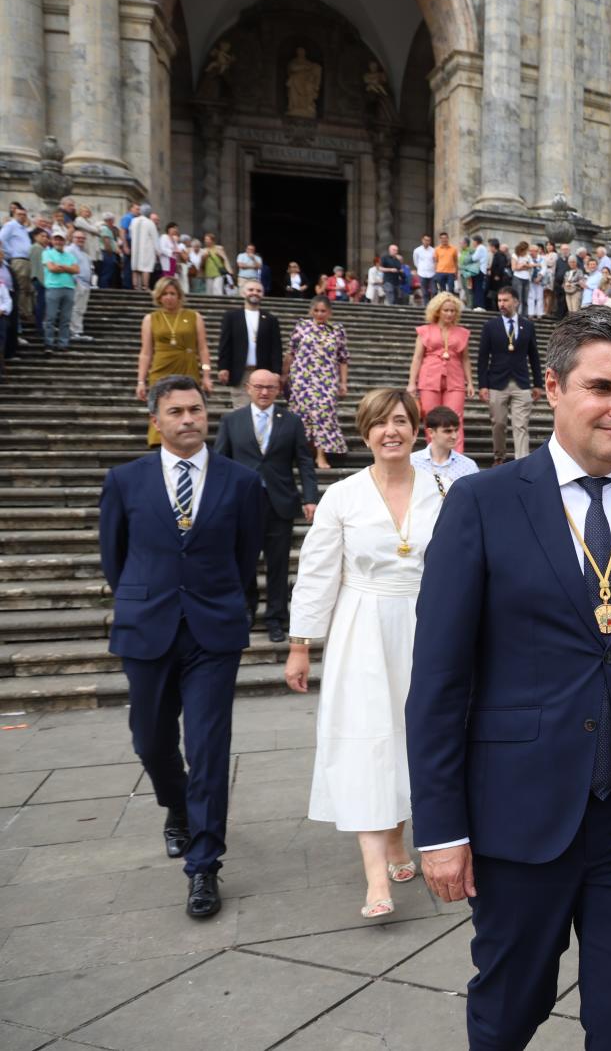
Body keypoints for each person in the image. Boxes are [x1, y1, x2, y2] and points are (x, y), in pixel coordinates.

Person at [406, 308, 611, 1048]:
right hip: (519, 813)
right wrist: (442, 827)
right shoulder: (484, 503)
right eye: (603, 386)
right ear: (551, 387)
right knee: (512, 1003)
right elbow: (440, 679)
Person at [99, 374, 265, 918]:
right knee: (149, 738)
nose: (189, 419)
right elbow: (114, 558)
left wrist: (223, 603)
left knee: (209, 746)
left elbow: (246, 560)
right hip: (147, 625)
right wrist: (147, 597)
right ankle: (177, 803)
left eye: (196, 409)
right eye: (176, 411)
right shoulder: (124, 480)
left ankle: (203, 865)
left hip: (213, 630)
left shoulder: (240, 482)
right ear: (157, 420)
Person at [285, 389, 443, 918]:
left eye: (400, 421)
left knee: (414, 736)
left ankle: (398, 839)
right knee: (368, 738)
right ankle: (377, 876)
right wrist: (300, 644)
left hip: (428, 625)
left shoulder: (444, 489)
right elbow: (317, 571)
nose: (390, 431)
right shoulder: (343, 496)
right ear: (365, 431)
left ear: (416, 428)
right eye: (379, 423)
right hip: (363, 626)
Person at [214, 369, 319, 643]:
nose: (264, 392)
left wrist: (310, 497)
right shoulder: (231, 421)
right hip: (241, 503)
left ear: (278, 390)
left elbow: (305, 462)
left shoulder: (292, 421)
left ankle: (276, 617)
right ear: (248, 388)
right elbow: (219, 462)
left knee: (279, 564)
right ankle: (247, 610)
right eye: (259, 386)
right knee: (244, 561)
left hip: (279, 503)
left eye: (270, 387)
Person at [137, 278, 212, 446]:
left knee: (189, 402)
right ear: (158, 296)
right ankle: (159, 442)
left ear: (179, 295)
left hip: (188, 366)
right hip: (161, 368)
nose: (168, 297)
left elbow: (203, 348)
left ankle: (191, 438)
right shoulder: (151, 319)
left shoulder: (194, 317)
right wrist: (141, 381)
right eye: (164, 294)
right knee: (162, 404)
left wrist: (206, 374)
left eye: (172, 293)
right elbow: (146, 352)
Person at [477, 286, 541, 464]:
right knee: (498, 423)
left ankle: (523, 463)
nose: (501, 304)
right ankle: (499, 457)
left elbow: (534, 356)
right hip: (496, 381)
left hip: (521, 382)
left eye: (505, 300)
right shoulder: (490, 326)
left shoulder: (527, 325)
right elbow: (482, 357)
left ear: (516, 302)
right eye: (499, 301)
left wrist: (538, 383)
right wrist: (482, 385)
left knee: (521, 425)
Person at [285, 296, 349, 469]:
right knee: (302, 415)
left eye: (323, 311)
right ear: (311, 311)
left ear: (329, 312)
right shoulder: (302, 327)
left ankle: (321, 456)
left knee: (324, 415)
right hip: (302, 378)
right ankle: (304, 455)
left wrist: (344, 383)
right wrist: (284, 376)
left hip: (327, 378)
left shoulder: (337, 330)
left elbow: (343, 359)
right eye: (316, 311)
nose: (320, 314)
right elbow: (291, 352)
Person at [408, 292, 472, 454]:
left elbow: (465, 359)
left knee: (456, 418)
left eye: (452, 310)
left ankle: (457, 456)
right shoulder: (425, 331)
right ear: (437, 311)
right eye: (446, 310)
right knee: (431, 418)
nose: (449, 314)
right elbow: (417, 358)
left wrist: (470, 382)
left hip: (455, 378)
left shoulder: (462, 332)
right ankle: (435, 455)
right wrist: (411, 383)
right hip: (429, 376)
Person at [216, 279, 283, 408]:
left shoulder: (270, 319)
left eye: (258, 291)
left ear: (263, 294)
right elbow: (225, 344)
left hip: (263, 372)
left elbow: (276, 348)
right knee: (241, 410)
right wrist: (223, 367)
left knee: (262, 410)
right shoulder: (232, 317)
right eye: (251, 290)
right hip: (240, 372)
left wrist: (276, 371)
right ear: (243, 293)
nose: (255, 293)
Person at [411, 405, 481, 486]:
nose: (454, 436)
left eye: (456, 430)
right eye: (448, 431)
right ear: (431, 432)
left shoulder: (468, 466)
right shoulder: (412, 462)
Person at [40, 231, 77, 352]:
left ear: (64, 241)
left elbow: (76, 270)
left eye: (60, 239)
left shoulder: (70, 255)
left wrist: (62, 267)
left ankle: (63, 343)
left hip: (69, 287)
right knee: (50, 317)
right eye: (56, 239)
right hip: (53, 287)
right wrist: (68, 268)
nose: (58, 242)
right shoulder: (47, 253)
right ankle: (49, 343)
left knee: (65, 318)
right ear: (52, 241)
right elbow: (52, 268)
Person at [68, 229, 95, 343]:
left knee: (81, 309)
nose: (80, 240)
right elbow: (69, 265)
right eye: (78, 238)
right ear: (72, 238)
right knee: (76, 308)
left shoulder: (84, 253)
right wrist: (75, 280)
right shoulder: (69, 250)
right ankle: (74, 331)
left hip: (85, 283)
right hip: (77, 282)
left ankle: (77, 330)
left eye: (82, 238)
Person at [129, 205, 158, 290]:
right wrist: (158, 251)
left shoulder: (133, 221)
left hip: (135, 248)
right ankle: (145, 286)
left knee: (135, 267)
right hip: (147, 248)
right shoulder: (150, 223)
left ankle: (135, 286)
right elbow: (155, 238)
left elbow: (130, 235)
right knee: (146, 267)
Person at [412, 234, 437, 301]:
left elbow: (435, 261)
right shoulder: (417, 250)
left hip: (432, 273)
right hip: (422, 273)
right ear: (422, 240)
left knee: (434, 291)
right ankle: (426, 306)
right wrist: (420, 268)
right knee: (425, 292)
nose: (427, 242)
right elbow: (415, 262)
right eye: (425, 240)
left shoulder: (433, 250)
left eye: (428, 240)